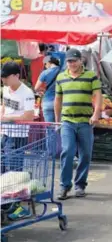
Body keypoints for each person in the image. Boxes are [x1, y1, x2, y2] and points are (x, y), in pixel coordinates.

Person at [54, 48, 102, 200]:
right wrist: (57, 120)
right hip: (67, 121)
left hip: (85, 122)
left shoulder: (91, 76)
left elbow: (98, 96)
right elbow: (58, 100)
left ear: (81, 61)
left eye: (74, 61)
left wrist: (96, 114)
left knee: (85, 154)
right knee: (67, 151)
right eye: (69, 61)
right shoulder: (61, 77)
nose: (72, 64)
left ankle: (80, 185)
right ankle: (64, 185)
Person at [1, 61, 35, 220]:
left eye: (6, 77)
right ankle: (5, 201)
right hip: (5, 133)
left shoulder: (26, 93)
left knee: (15, 171)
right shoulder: (6, 90)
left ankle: (18, 205)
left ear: (16, 76)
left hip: (18, 135)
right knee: (3, 169)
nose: (4, 80)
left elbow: (28, 117)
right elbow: (4, 107)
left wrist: (6, 118)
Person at [34, 56, 60, 122]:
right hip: (60, 102)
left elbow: (36, 88)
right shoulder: (62, 71)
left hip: (47, 102)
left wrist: (42, 90)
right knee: (61, 126)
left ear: (48, 62)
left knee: (50, 128)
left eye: (45, 64)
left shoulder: (45, 73)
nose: (45, 66)